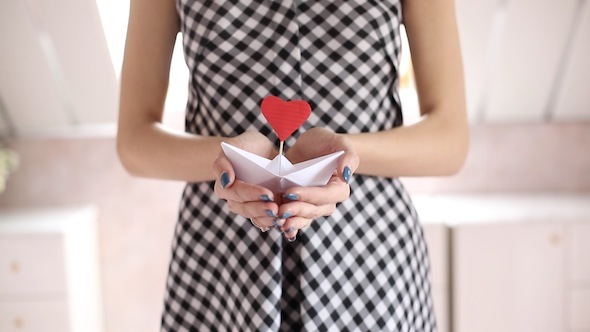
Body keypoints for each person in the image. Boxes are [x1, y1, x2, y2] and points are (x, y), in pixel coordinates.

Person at [117, 0, 468, 330]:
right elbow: (134, 142)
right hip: (222, 262)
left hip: (368, 257)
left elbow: (450, 141)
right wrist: (236, 159)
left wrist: (338, 157)